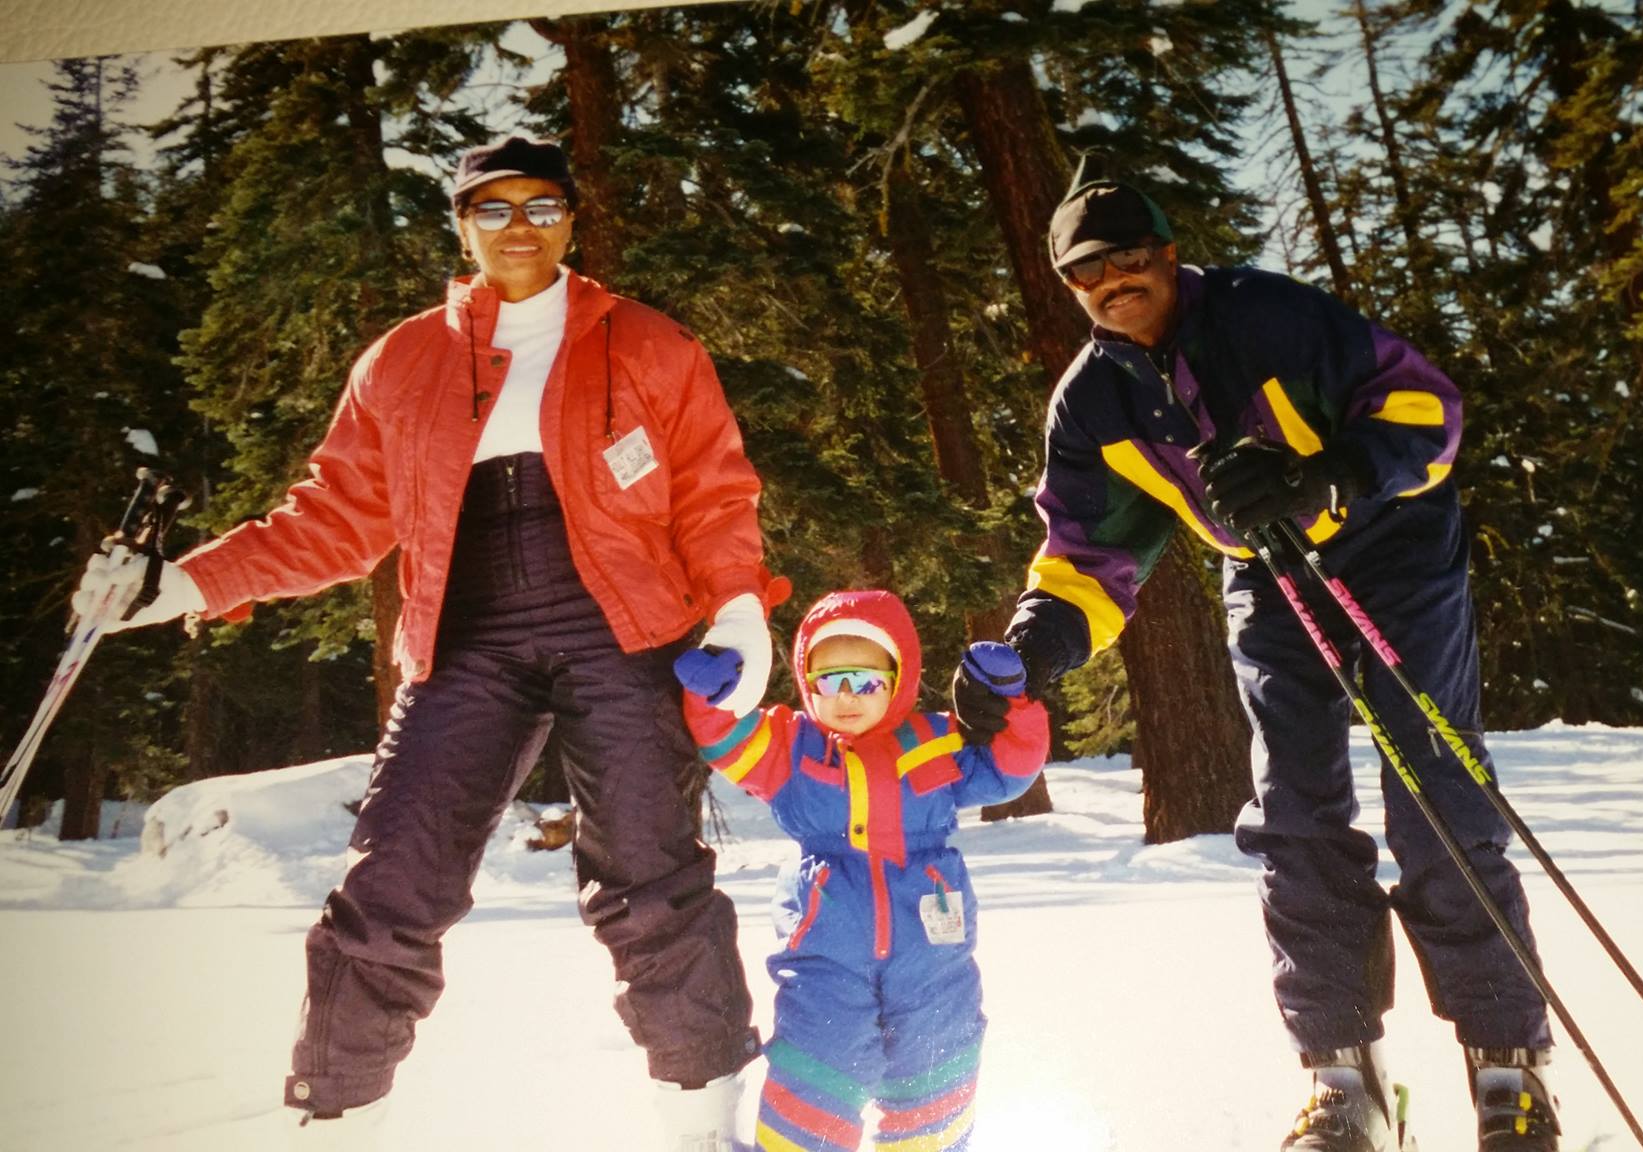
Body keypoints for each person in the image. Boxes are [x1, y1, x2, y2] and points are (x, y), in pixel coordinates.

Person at [76, 136, 777, 1150]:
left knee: (650, 877)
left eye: (541, 206)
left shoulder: (648, 342)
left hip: (620, 629)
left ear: (571, 221)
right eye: (493, 208)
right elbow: (332, 517)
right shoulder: (403, 361)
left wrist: (737, 608)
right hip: (466, 639)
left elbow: (713, 492)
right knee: (392, 881)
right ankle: (338, 1119)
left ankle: (700, 1122)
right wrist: (183, 581)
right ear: (461, 226)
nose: (519, 227)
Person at [947, 156, 1560, 1152]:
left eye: (1129, 257)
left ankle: (1507, 1072)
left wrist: (1324, 475)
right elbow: (1088, 555)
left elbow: (1426, 409)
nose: (1113, 281)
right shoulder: (1092, 404)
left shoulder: (1264, 316)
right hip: (1270, 577)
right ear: (1068, 285)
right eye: (1087, 270)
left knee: (1436, 793)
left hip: (1392, 544)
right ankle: (1342, 1081)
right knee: (1293, 815)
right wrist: (1035, 647)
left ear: (1166, 253)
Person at [675, 589, 1049, 1152]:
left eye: (866, 681)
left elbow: (1007, 769)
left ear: (899, 677)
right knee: (819, 1058)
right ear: (807, 682)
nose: (847, 696)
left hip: (932, 950)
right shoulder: (791, 746)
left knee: (938, 1056)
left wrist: (1014, 704)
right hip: (827, 948)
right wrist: (711, 697)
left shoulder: (935, 739)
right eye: (829, 681)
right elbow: (727, 739)